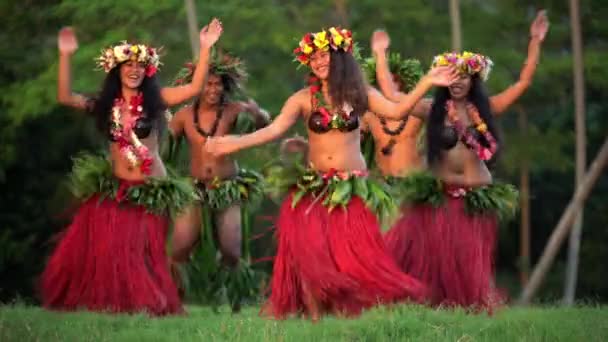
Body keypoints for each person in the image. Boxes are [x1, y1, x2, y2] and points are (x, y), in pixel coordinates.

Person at [205, 27, 458, 320]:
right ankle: (315, 321)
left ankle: (345, 315)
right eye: (313, 58)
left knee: (353, 260)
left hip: (350, 188)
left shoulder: (361, 93)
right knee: (311, 256)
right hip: (314, 187)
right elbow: (273, 130)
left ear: (339, 56)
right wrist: (232, 142)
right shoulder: (303, 98)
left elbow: (396, 111)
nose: (318, 62)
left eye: (324, 55)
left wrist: (427, 80)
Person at [40, 19, 223, 316]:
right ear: (118, 71)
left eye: (140, 66)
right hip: (118, 187)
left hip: (151, 189)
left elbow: (193, 88)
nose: (134, 70)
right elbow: (65, 96)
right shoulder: (106, 104)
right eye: (128, 65)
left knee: (141, 250)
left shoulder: (157, 100)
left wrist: (205, 48)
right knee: (113, 249)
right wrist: (65, 55)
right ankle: (125, 302)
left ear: (147, 71)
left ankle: (150, 302)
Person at [382, 10, 549, 310]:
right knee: (433, 260)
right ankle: (433, 309)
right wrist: (381, 55)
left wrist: (535, 42)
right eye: (452, 76)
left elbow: (522, 83)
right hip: (438, 196)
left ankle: (467, 312)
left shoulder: (486, 110)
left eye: (464, 76)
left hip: (474, 197)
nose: (457, 82)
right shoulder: (431, 109)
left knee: (467, 263)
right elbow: (393, 97)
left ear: (474, 79)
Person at [167, 50, 270, 311]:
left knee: (232, 250)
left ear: (225, 87)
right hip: (194, 189)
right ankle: (172, 300)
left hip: (227, 187)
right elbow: (164, 146)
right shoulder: (183, 116)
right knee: (179, 248)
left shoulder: (234, 110)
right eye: (207, 83)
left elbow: (265, 123)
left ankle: (232, 299)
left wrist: (258, 114)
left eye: (217, 84)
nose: (213, 89)